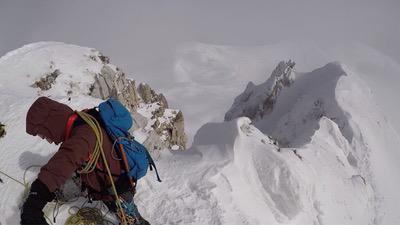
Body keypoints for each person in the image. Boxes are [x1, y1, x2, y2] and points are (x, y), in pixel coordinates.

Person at [21, 96, 149, 225]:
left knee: (133, 221)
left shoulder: (82, 136)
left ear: (50, 124)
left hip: (117, 190)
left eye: (43, 134)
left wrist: (34, 203)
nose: (46, 139)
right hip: (106, 182)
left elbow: (65, 160)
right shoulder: (82, 120)